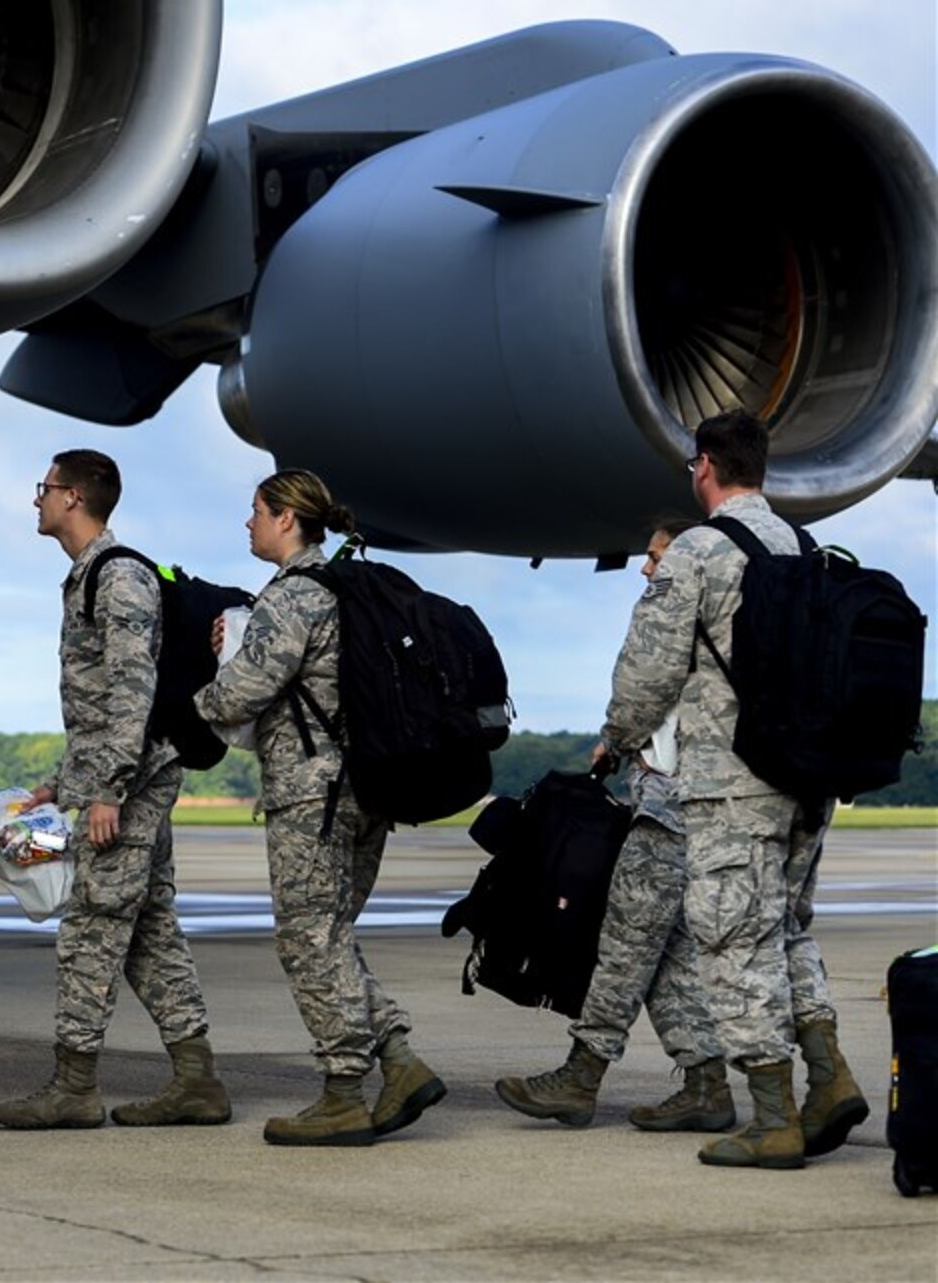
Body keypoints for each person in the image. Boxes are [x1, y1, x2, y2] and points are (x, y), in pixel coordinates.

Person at [596, 410, 865, 1169]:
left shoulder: (699, 552)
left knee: (732, 939)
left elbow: (647, 675)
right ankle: (829, 1077)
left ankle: (774, 1117)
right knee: (785, 932)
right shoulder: (801, 545)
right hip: (808, 779)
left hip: (730, 783)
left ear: (705, 466)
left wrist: (617, 736)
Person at [193, 469, 444, 1147]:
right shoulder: (347, 584)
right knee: (330, 935)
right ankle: (399, 1062)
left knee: (307, 940)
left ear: (284, 519)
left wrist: (193, 705)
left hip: (312, 793)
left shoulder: (293, 596)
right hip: (368, 787)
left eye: (255, 511)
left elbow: (243, 695)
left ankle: (342, 1092)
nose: (248, 523)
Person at [0, 450, 229, 1131]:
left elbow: (132, 695)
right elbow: (100, 712)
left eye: (45, 488)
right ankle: (197, 1080)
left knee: (92, 928)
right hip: (120, 775)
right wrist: (57, 786)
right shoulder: (88, 576)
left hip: (134, 782)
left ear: (73, 498)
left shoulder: (118, 578)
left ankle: (73, 1087)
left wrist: (109, 791)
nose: (37, 500)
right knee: (149, 931)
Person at [495, 519, 738, 1133]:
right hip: (700, 803)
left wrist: (615, 738)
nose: (646, 567)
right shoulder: (727, 622)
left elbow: (642, 692)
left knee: (625, 944)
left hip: (667, 804)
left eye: (656, 556)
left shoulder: (679, 617)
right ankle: (707, 1080)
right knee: (665, 951)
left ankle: (582, 1075)